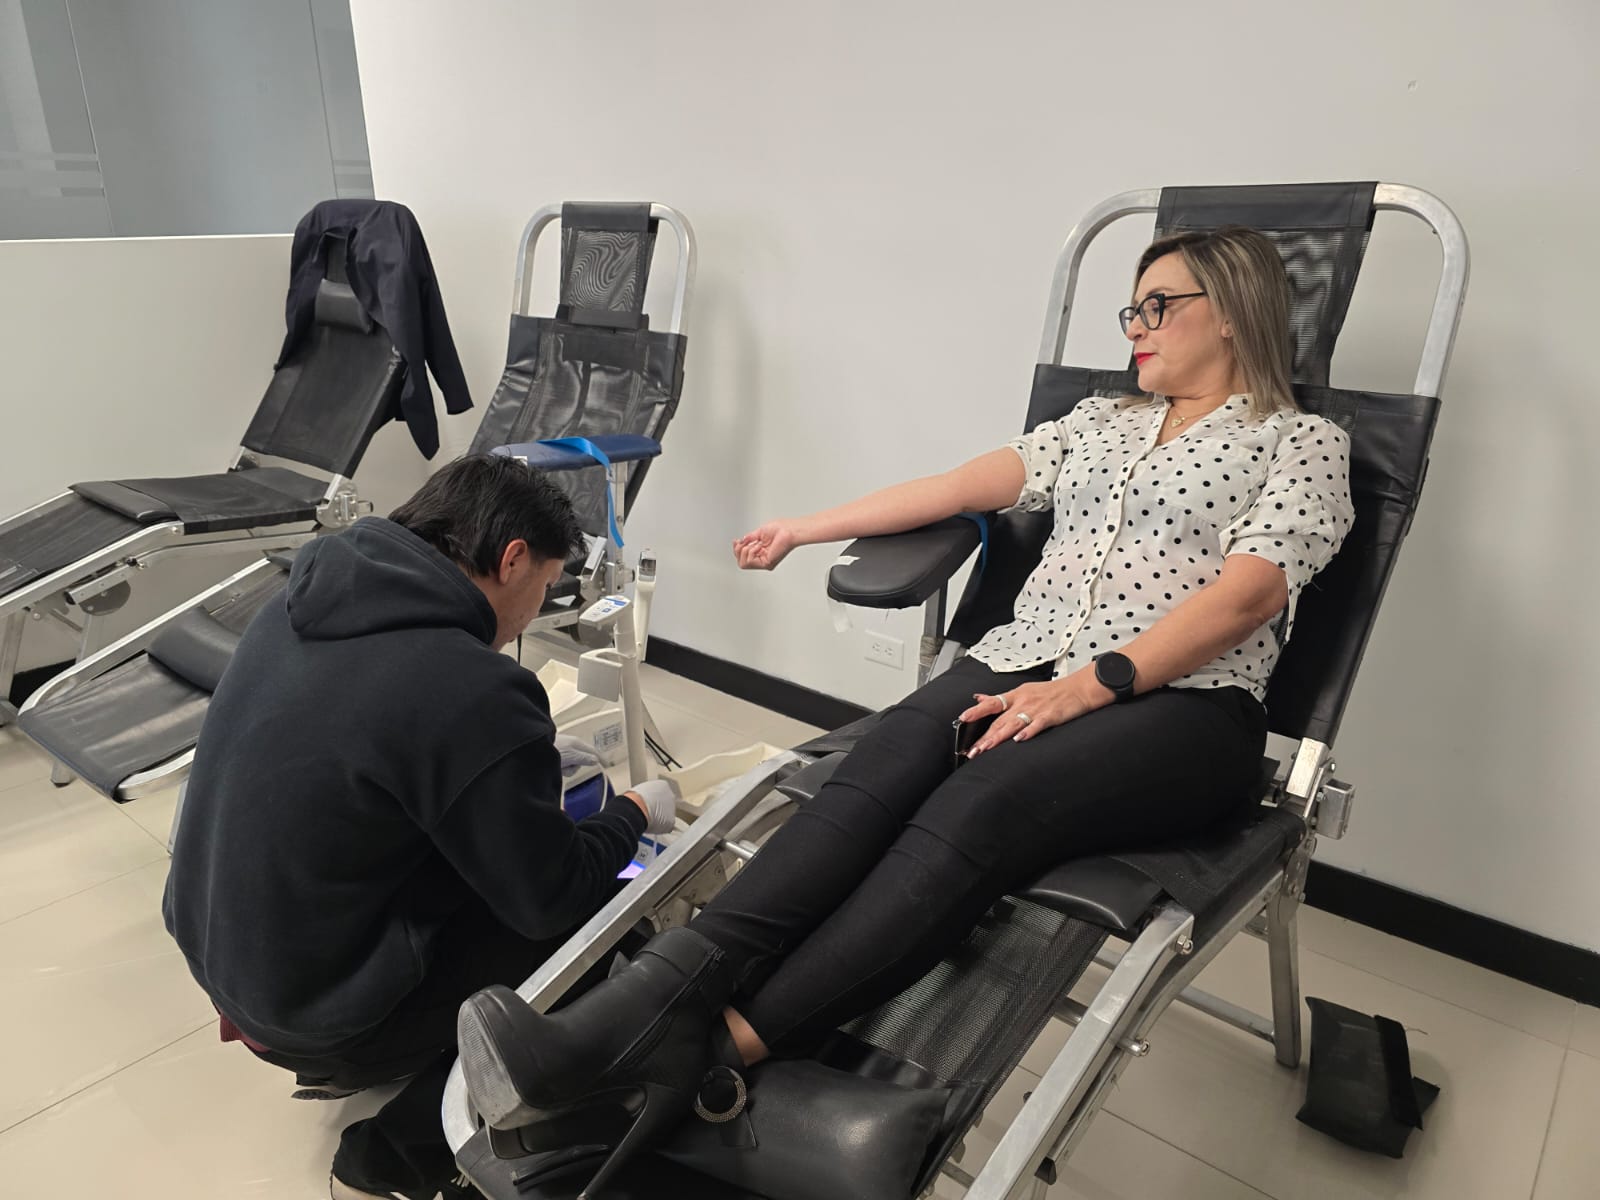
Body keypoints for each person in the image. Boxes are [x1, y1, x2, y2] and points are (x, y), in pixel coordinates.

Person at [457, 226, 1356, 1196]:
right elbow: (954, 488)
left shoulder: (1299, 441)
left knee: (980, 803)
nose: (1133, 327)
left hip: (1185, 704)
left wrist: (1089, 684)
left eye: (1157, 306)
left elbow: (1250, 595)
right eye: (1129, 309)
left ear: (1233, 312)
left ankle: (717, 1053)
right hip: (1023, 657)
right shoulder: (1100, 422)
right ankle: (644, 1005)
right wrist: (805, 527)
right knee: (879, 765)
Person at [162, 455, 678, 1200]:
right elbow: (554, 897)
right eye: (544, 586)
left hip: (220, 953)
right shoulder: (472, 686)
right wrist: (631, 811)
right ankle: (398, 1157)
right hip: (312, 1014)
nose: (537, 607)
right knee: (609, 924)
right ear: (512, 560)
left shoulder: (303, 596)